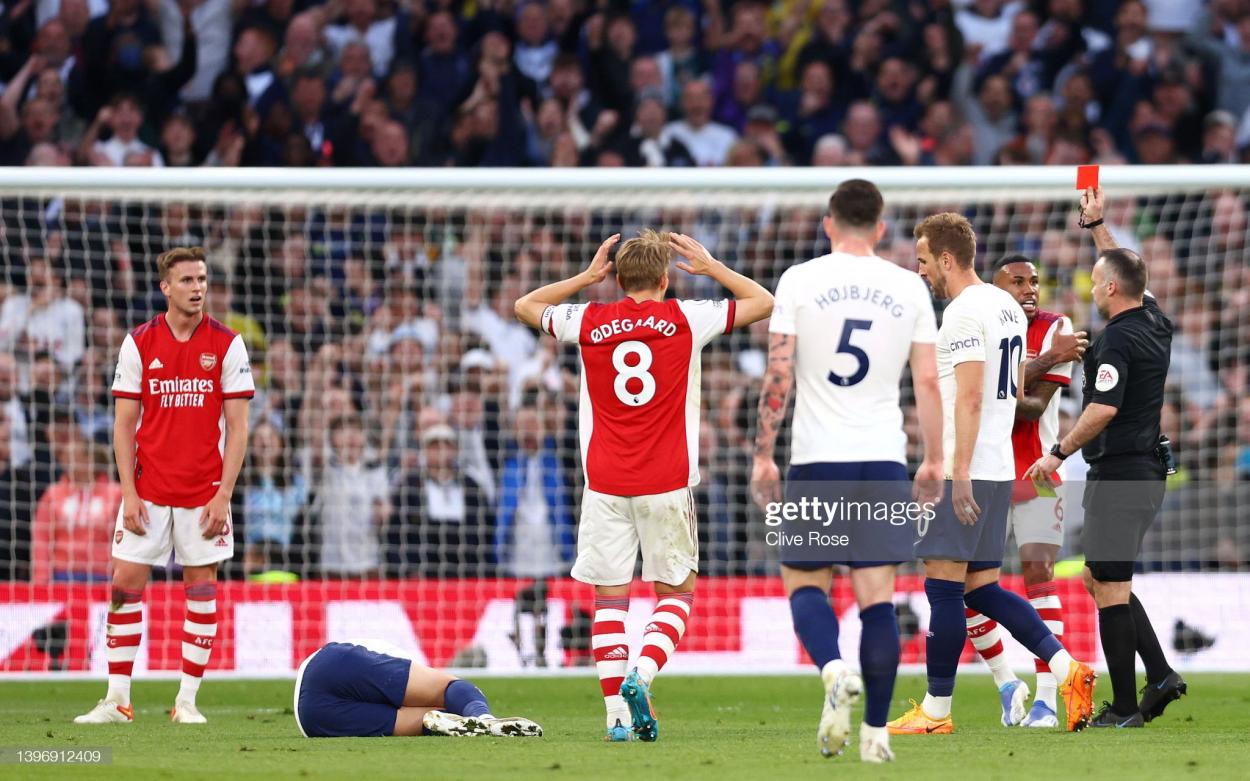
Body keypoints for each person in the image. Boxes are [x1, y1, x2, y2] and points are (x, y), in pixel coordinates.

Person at [513, 230, 772, 741]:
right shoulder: (685, 317)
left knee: (610, 600)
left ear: (618, 279)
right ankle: (643, 674)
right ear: (665, 278)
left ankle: (615, 719)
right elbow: (762, 302)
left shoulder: (588, 319)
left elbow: (525, 305)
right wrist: (713, 266)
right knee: (676, 593)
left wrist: (587, 279)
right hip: (666, 480)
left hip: (605, 482)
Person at [750, 179, 945, 763]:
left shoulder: (799, 280)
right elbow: (930, 381)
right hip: (883, 459)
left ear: (829, 223)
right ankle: (876, 737)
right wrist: (933, 458)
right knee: (876, 598)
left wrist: (764, 452)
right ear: (882, 228)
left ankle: (833, 669)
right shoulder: (909, 286)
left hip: (816, 460)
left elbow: (778, 375)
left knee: (806, 583)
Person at [887, 214, 1096, 735]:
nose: (921, 271)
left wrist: (954, 473)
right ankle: (1069, 670)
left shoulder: (962, 313)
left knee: (942, 589)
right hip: (1000, 468)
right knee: (979, 588)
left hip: (969, 468)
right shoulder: (1005, 307)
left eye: (923, 261)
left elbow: (975, 394)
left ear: (947, 259)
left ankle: (936, 712)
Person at [1025, 187, 1186, 728]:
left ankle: (1122, 707)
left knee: (1110, 587)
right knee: (1099, 578)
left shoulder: (1116, 341)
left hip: (1120, 473)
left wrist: (1056, 453)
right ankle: (1160, 673)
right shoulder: (1154, 319)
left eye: (1096, 282)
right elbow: (1128, 269)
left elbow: (1102, 410)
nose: (1091, 288)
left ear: (1111, 289)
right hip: (1142, 471)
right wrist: (1097, 226)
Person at [75, 246, 254, 725]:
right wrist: (128, 494)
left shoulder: (228, 344)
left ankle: (187, 702)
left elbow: (238, 427)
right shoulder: (138, 343)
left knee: (201, 588)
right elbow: (123, 425)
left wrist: (224, 495)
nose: (198, 288)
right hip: (147, 491)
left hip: (204, 493)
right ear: (166, 287)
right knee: (123, 585)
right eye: (188, 280)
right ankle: (117, 701)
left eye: (202, 279)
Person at [964, 254, 1089, 728]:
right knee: (966, 587)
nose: (1030, 289)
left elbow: (1030, 409)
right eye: (1017, 282)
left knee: (1039, 574)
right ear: (995, 289)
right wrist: (1050, 359)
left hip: (1037, 473)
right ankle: (1005, 682)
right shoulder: (976, 325)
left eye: (1034, 281)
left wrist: (1023, 369)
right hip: (982, 474)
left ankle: (1047, 701)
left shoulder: (1058, 325)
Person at [294, 639, 541, 738]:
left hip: (311, 719)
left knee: (432, 719)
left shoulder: (399, 662)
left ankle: (477, 723)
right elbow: (450, 687)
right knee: (448, 688)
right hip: (327, 668)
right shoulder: (407, 659)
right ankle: (485, 717)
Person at [31, 438, 122, 583]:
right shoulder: (53, 493)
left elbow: (123, 538)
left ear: (89, 460)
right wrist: (41, 577)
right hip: (62, 575)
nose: (65, 462)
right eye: (64, 457)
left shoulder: (115, 493)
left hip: (103, 575)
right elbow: (41, 537)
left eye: (72, 457)